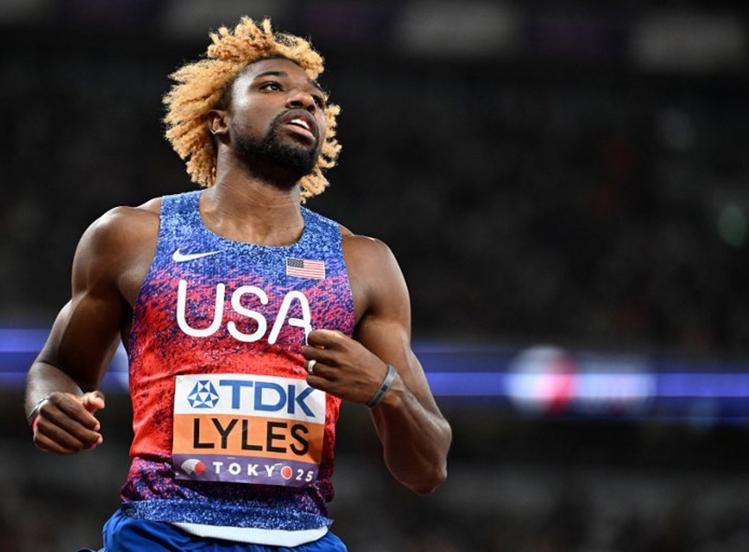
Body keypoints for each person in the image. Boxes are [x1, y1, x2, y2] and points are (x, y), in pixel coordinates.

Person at [24, 16, 451, 551]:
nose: (304, 104)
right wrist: (48, 404)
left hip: (303, 539)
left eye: (316, 100)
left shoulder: (363, 264)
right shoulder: (131, 237)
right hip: (158, 535)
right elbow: (58, 368)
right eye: (274, 87)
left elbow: (427, 468)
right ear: (220, 121)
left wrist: (386, 390)